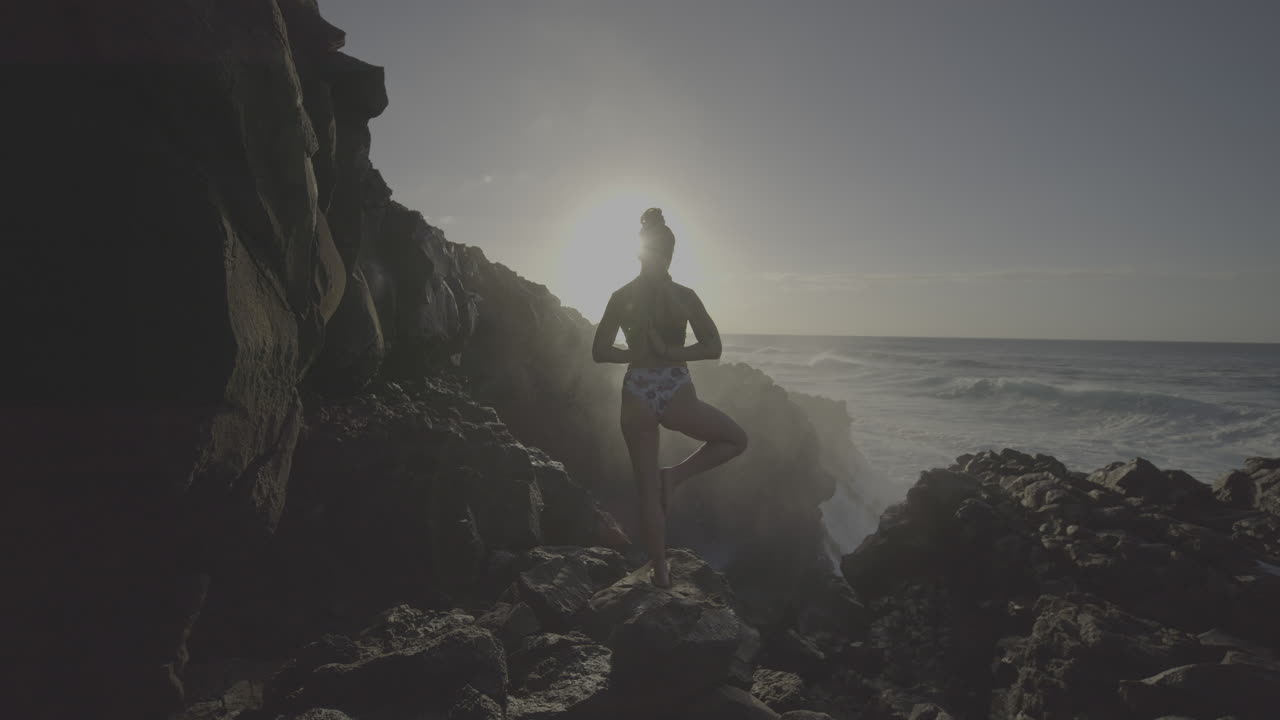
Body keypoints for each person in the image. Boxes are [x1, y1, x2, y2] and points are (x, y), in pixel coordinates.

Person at [591, 207, 749, 588]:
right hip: (677, 388)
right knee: (735, 439)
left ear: (640, 252)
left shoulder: (621, 295)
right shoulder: (684, 296)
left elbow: (599, 351)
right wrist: (673, 351)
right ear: (670, 253)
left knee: (646, 490)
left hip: (637, 390)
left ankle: (660, 569)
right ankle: (675, 477)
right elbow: (713, 347)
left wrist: (633, 353)